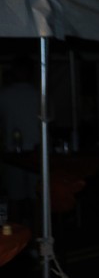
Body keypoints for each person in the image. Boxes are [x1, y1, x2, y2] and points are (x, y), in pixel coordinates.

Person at [0, 56, 40, 225]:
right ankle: (37, 234)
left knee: (15, 198)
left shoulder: (4, 94)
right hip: (35, 152)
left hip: (13, 154)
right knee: (36, 198)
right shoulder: (39, 94)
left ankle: (18, 236)